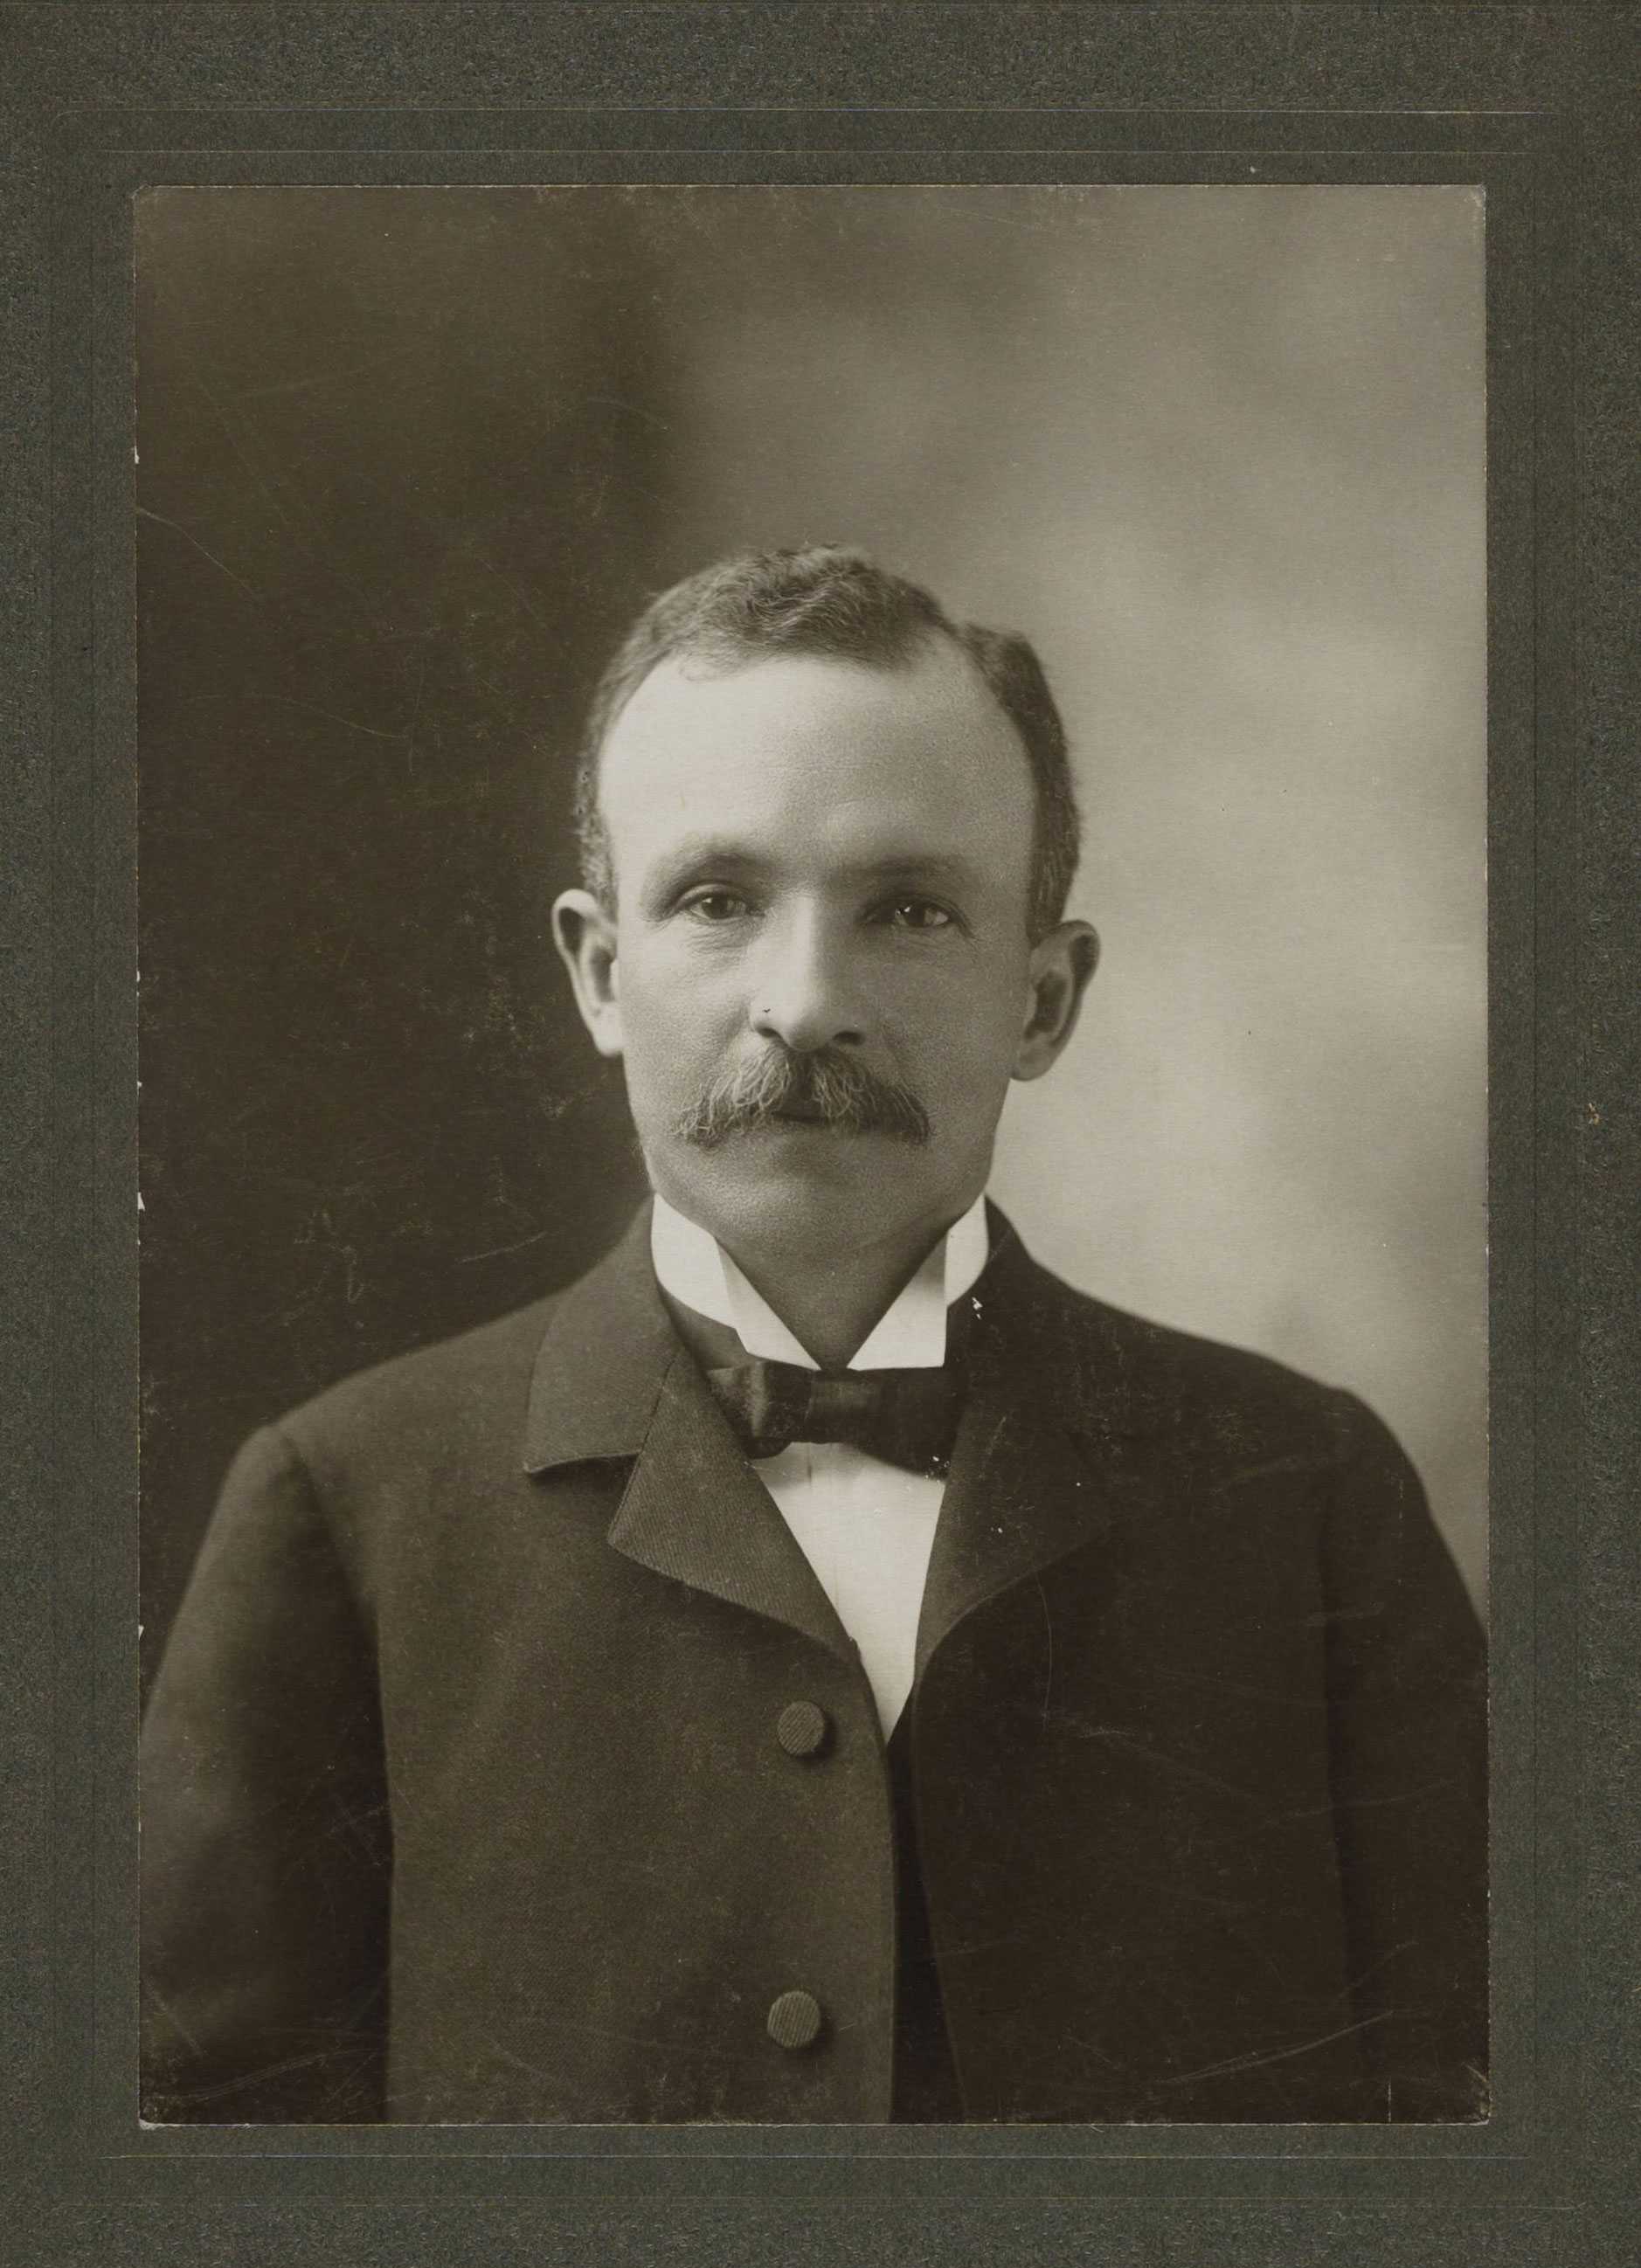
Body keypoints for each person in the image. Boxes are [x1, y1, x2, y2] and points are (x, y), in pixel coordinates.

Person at [140, 546, 1488, 2126]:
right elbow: (218, 2249)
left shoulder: (1307, 1496)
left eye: (908, 911)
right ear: (600, 973)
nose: (805, 1000)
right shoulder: (343, 1513)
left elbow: (1482, 2184)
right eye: (718, 901)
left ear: (1042, 1000)